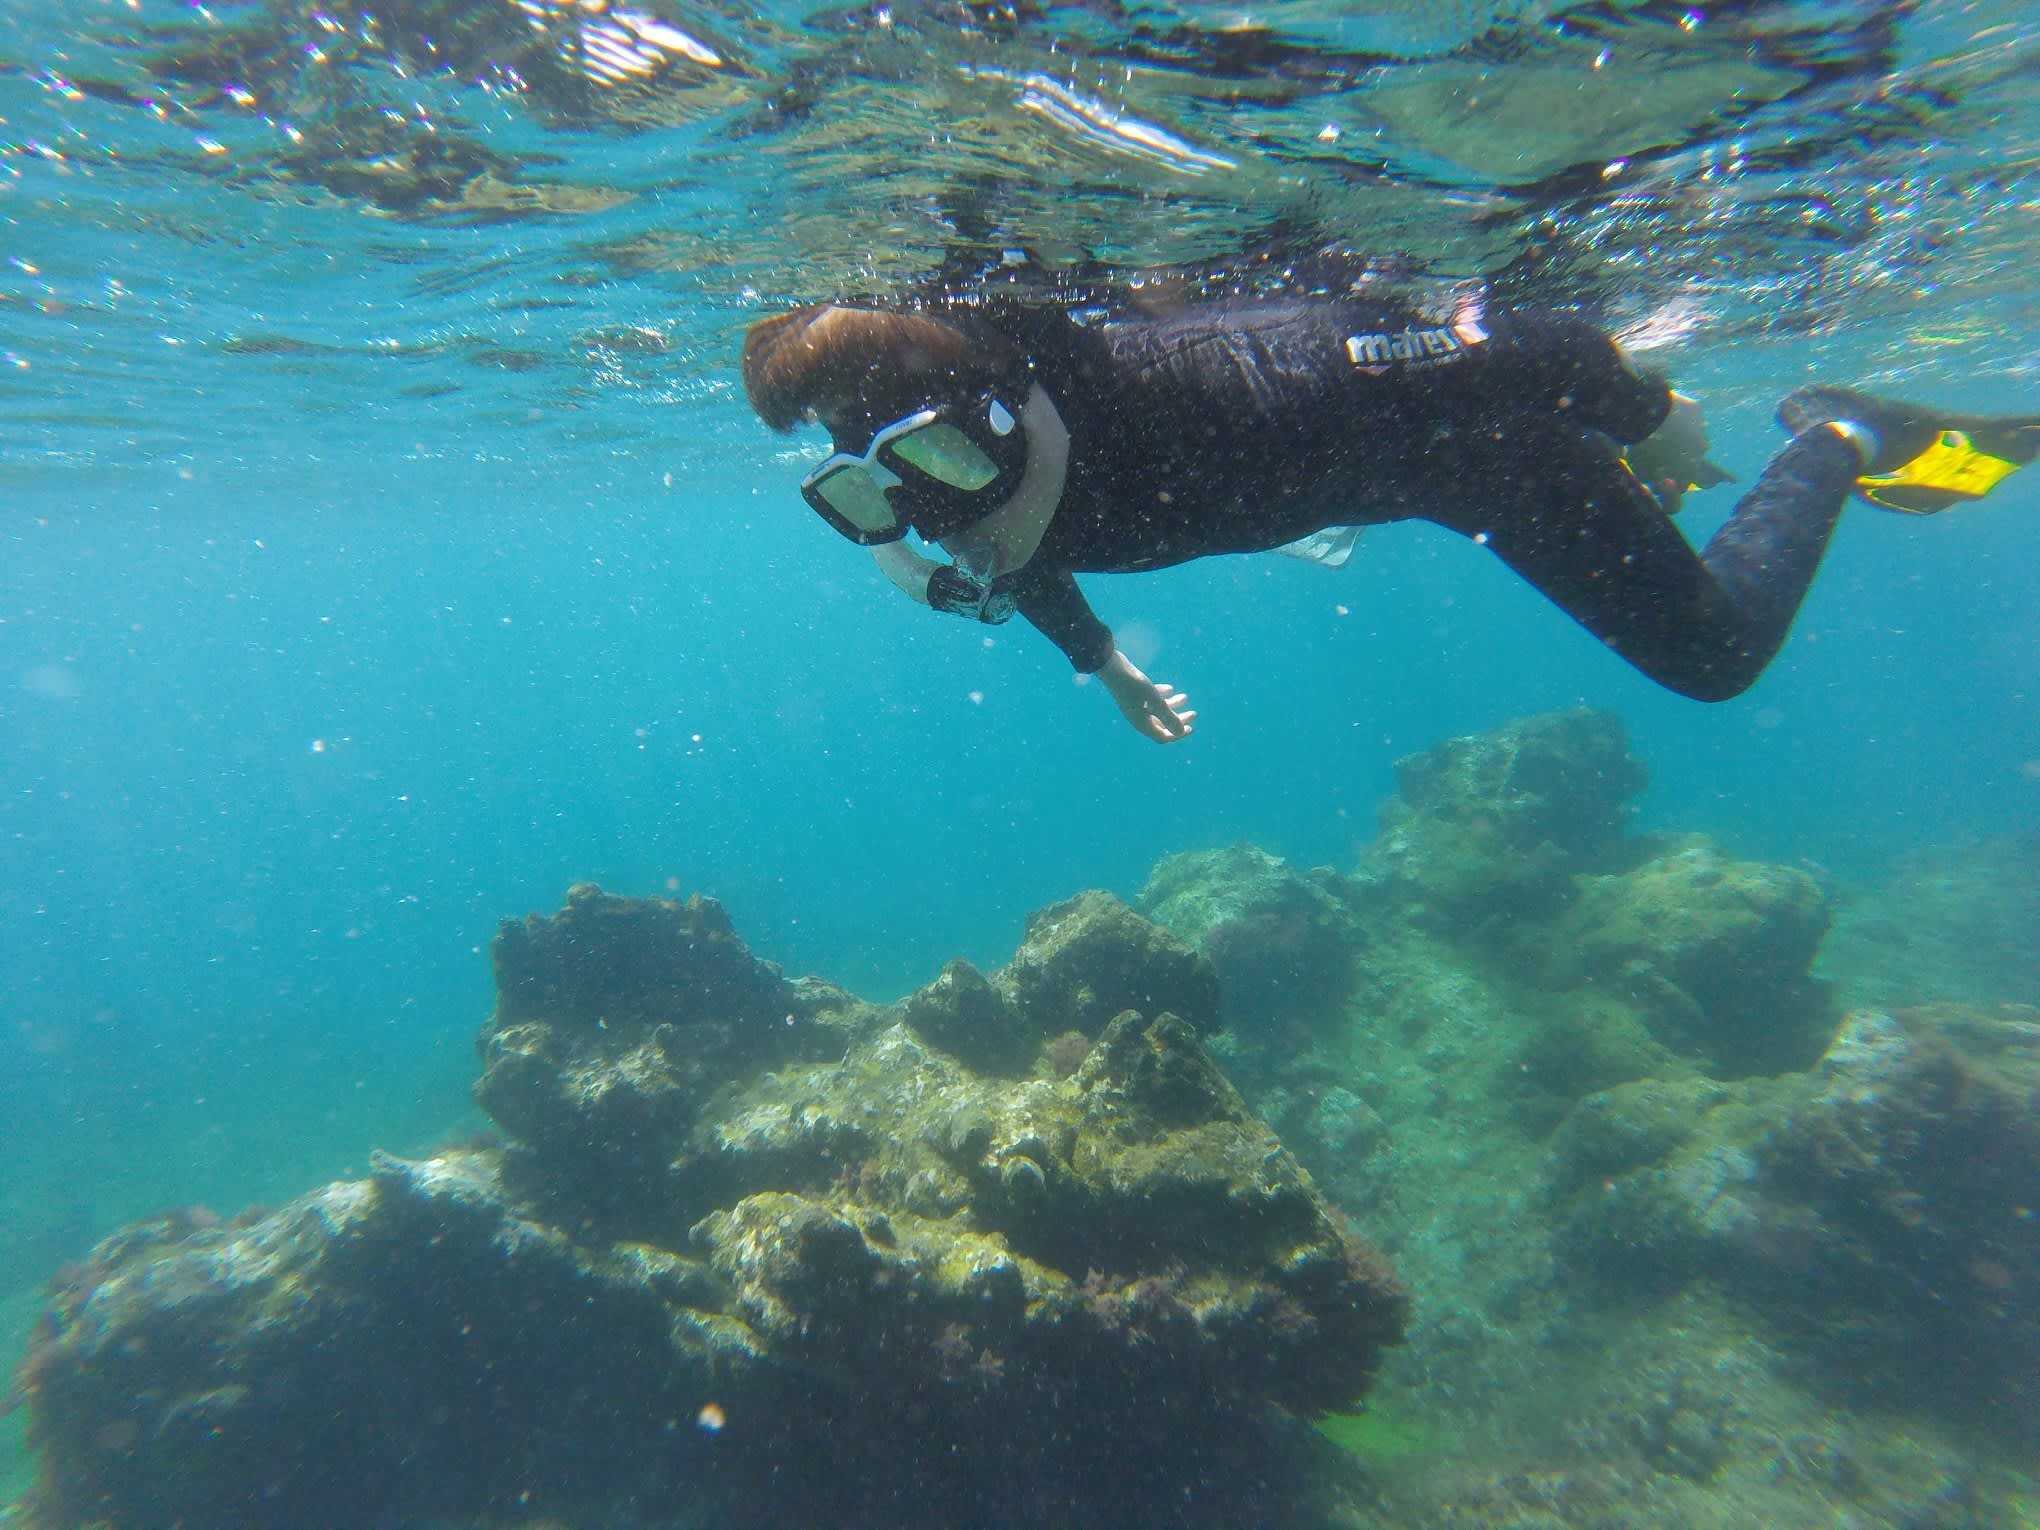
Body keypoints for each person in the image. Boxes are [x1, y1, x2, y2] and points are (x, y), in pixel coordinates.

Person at [741, 291, 2036, 742]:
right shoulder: (997, 479)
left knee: (1712, 653)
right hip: (1416, 482)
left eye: (949, 467)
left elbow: (1494, 338)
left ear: (1009, 406)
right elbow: (1019, 554)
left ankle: (1834, 430)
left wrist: (1644, 416)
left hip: (1484, 450)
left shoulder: (1237, 385)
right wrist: (1102, 658)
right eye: (882, 496)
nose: (938, 522)